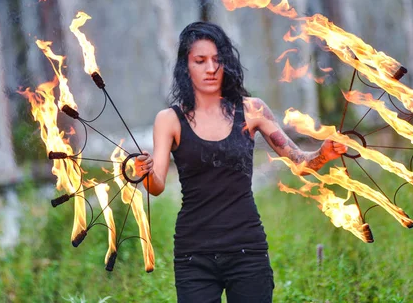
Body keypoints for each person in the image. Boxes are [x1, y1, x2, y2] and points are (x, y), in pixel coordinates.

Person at [134, 21, 347, 303]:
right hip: (194, 254)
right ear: (186, 67)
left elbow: (300, 161)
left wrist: (323, 153)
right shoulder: (169, 120)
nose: (211, 68)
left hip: (247, 249)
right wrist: (144, 171)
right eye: (200, 61)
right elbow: (157, 185)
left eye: (217, 60)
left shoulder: (251, 110)